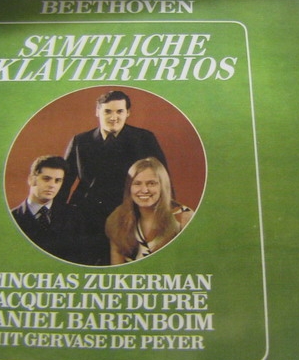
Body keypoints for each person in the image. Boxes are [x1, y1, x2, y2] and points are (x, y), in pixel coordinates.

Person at [56, 90, 168, 265]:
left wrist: (165, 214)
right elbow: (64, 183)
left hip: (128, 215)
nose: (113, 117)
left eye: (119, 111)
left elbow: (164, 180)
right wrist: (57, 215)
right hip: (86, 218)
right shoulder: (80, 140)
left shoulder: (144, 138)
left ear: (128, 113)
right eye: (107, 111)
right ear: (97, 112)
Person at [106, 157, 193, 264]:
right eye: (137, 183)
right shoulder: (118, 218)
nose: (144, 190)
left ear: (163, 186)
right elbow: (117, 269)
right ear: (129, 188)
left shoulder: (184, 217)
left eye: (151, 183)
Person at [11, 155, 82, 263]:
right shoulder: (12, 218)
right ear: (31, 180)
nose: (52, 185)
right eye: (46, 179)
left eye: (57, 181)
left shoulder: (73, 216)